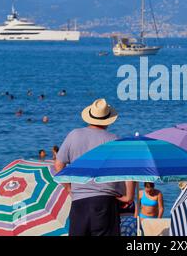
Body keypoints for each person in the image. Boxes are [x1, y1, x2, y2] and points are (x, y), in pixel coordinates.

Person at [54, 98, 135, 236]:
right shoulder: (114, 140)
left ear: (89, 116)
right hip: (106, 202)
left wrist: (69, 188)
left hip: (79, 202)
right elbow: (128, 171)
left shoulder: (74, 135)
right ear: (108, 119)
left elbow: (59, 165)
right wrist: (129, 196)